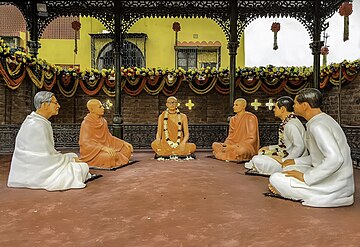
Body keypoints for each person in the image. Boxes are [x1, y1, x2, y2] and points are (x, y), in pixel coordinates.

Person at [269, 88, 355, 207]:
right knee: (287, 170)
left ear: (304, 105)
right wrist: (294, 161)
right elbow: (318, 157)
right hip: (335, 178)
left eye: (295, 103)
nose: (293, 106)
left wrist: (306, 177)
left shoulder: (317, 126)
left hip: (335, 183)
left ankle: (332, 196)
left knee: (276, 178)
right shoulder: (323, 120)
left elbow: (335, 159)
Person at [7, 91, 91, 191]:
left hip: (37, 166)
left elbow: (47, 153)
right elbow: (44, 158)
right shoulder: (36, 125)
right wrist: (69, 160)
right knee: (81, 167)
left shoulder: (39, 122)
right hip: (35, 171)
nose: (59, 106)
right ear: (45, 105)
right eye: (55, 103)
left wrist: (69, 158)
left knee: (74, 157)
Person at [245, 96, 307, 175]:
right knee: (262, 153)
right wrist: (269, 148)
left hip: (292, 162)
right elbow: (284, 146)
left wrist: (284, 160)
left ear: (282, 109)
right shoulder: (288, 122)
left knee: (257, 159)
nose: (274, 110)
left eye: (275, 107)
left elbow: (300, 147)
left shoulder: (291, 125)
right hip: (285, 157)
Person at [79, 99, 133, 168]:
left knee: (127, 149)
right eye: (100, 107)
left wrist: (123, 143)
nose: (103, 108)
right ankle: (113, 158)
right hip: (94, 152)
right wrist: (103, 148)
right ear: (92, 110)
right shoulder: (86, 123)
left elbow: (108, 137)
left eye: (102, 106)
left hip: (106, 147)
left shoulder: (103, 121)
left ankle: (116, 157)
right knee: (110, 157)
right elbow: (85, 143)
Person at [212, 98, 259, 162]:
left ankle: (223, 155)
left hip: (244, 146)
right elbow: (230, 136)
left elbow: (252, 139)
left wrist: (232, 147)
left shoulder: (250, 118)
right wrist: (226, 145)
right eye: (234, 105)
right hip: (232, 144)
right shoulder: (233, 119)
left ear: (243, 106)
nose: (234, 107)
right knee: (215, 145)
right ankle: (230, 155)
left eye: (236, 105)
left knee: (241, 151)